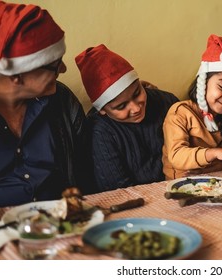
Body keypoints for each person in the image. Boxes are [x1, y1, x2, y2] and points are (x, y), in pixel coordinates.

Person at [0, 2, 89, 207]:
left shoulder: (63, 102)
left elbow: (84, 173)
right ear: (17, 76)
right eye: (55, 64)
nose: (64, 69)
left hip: (61, 223)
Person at [75, 44, 178, 192]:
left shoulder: (168, 103)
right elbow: (118, 191)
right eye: (121, 106)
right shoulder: (98, 132)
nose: (136, 108)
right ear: (102, 110)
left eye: (137, 93)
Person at [162, 34, 222, 180]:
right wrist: (215, 153)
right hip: (181, 186)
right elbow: (176, 156)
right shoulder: (180, 113)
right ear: (203, 82)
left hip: (217, 183)